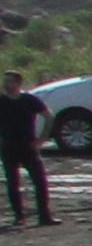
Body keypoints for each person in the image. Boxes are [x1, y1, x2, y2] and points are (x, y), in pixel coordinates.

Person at [0, 74, 46, 227]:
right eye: (5, 81)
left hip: (28, 146)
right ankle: (19, 217)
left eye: (10, 81)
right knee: (13, 183)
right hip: (8, 146)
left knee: (40, 181)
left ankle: (44, 216)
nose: (6, 84)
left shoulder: (29, 100)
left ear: (18, 83)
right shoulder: (2, 101)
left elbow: (49, 116)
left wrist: (42, 138)